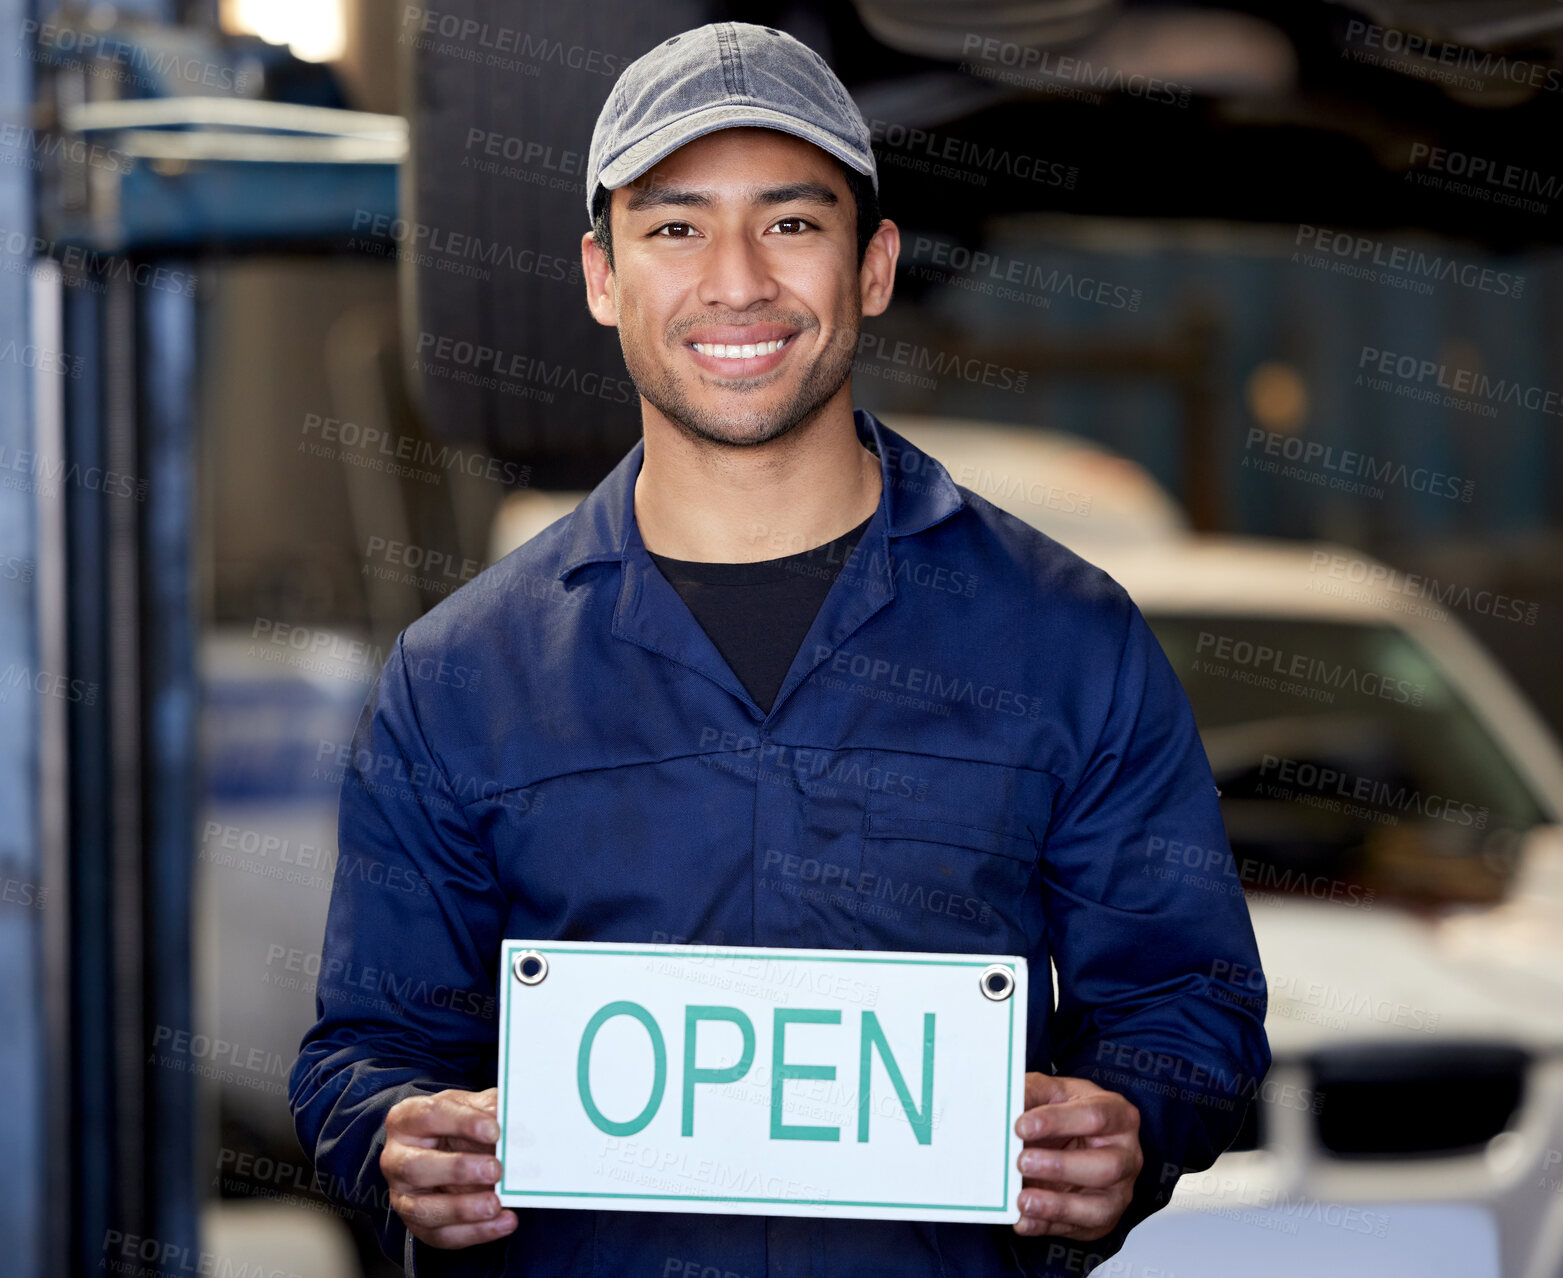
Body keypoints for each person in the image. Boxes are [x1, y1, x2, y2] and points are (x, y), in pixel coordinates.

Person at [289, 20, 1270, 1278]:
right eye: (677, 226)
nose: (737, 280)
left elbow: (1191, 1000)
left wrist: (1130, 1122)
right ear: (602, 276)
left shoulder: (1065, 641)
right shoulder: (462, 675)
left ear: (874, 265)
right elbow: (363, 1048)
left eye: (794, 223)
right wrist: (395, 1136)